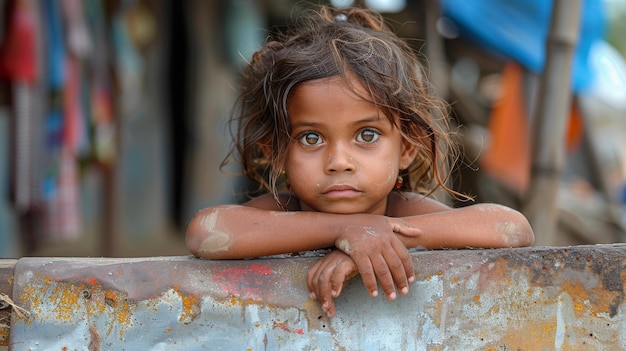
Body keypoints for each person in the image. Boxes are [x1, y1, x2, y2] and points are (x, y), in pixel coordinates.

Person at [186, 5, 534, 318]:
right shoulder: (278, 214)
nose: (339, 161)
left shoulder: (402, 213)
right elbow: (206, 232)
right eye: (311, 138)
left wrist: (385, 238)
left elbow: (512, 227)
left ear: (407, 148)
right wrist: (347, 231)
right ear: (276, 153)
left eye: (366, 135)